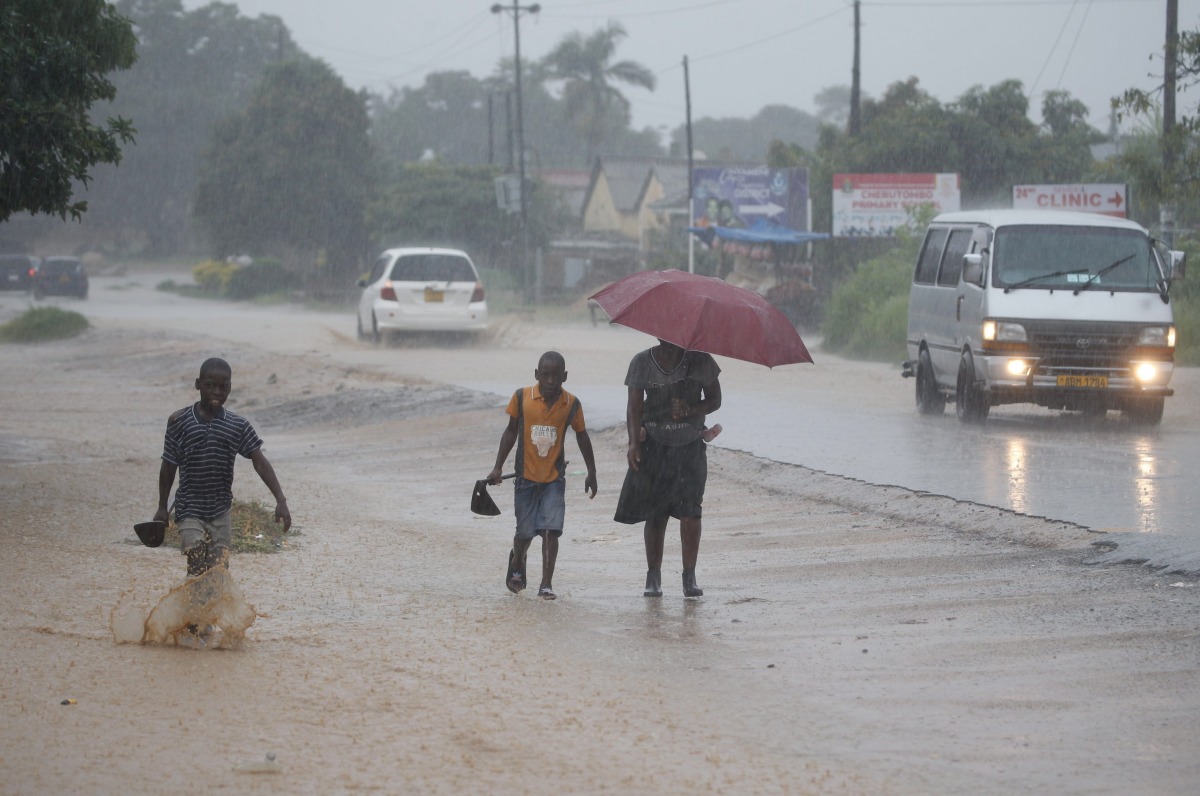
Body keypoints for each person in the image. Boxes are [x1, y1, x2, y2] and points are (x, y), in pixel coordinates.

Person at [154, 358, 291, 583]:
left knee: (218, 572)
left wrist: (281, 500)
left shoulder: (237, 425)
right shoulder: (179, 422)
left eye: (223, 386)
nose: (216, 392)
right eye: (210, 385)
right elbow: (169, 465)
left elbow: (260, 462)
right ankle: (196, 615)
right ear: (198, 384)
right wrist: (161, 508)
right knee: (196, 557)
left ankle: (204, 615)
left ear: (230, 388)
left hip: (221, 510)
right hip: (189, 508)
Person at [487, 351, 598, 600]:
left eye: (556, 376)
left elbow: (582, 436)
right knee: (524, 533)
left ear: (565, 377)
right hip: (525, 478)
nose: (550, 381)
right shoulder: (521, 397)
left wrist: (591, 471)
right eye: (545, 375)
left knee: (551, 530)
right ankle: (517, 560)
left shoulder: (572, 404)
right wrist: (498, 467)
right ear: (536, 375)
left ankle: (546, 584)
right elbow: (510, 432)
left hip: (554, 481)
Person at [614, 340, 721, 598]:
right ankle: (653, 575)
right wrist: (632, 444)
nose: (668, 338)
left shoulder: (701, 361)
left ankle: (689, 576)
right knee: (656, 513)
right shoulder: (641, 362)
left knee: (691, 512)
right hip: (653, 445)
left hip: (691, 445)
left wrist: (691, 409)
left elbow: (715, 400)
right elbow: (634, 407)